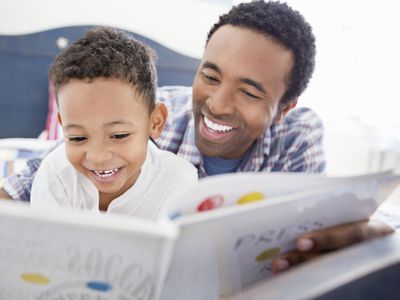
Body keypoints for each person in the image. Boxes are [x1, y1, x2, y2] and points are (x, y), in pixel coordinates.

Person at [0, 1, 393, 272]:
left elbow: (314, 231)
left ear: (284, 107)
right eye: (209, 76)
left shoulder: (297, 136)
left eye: (250, 91)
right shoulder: (142, 115)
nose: (217, 104)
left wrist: (359, 236)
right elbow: (27, 182)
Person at [29, 27, 198, 219]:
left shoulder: (178, 182)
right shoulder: (55, 174)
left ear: (155, 122)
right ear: (62, 126)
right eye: (77, 138)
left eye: (119, 135)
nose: (98, 157)